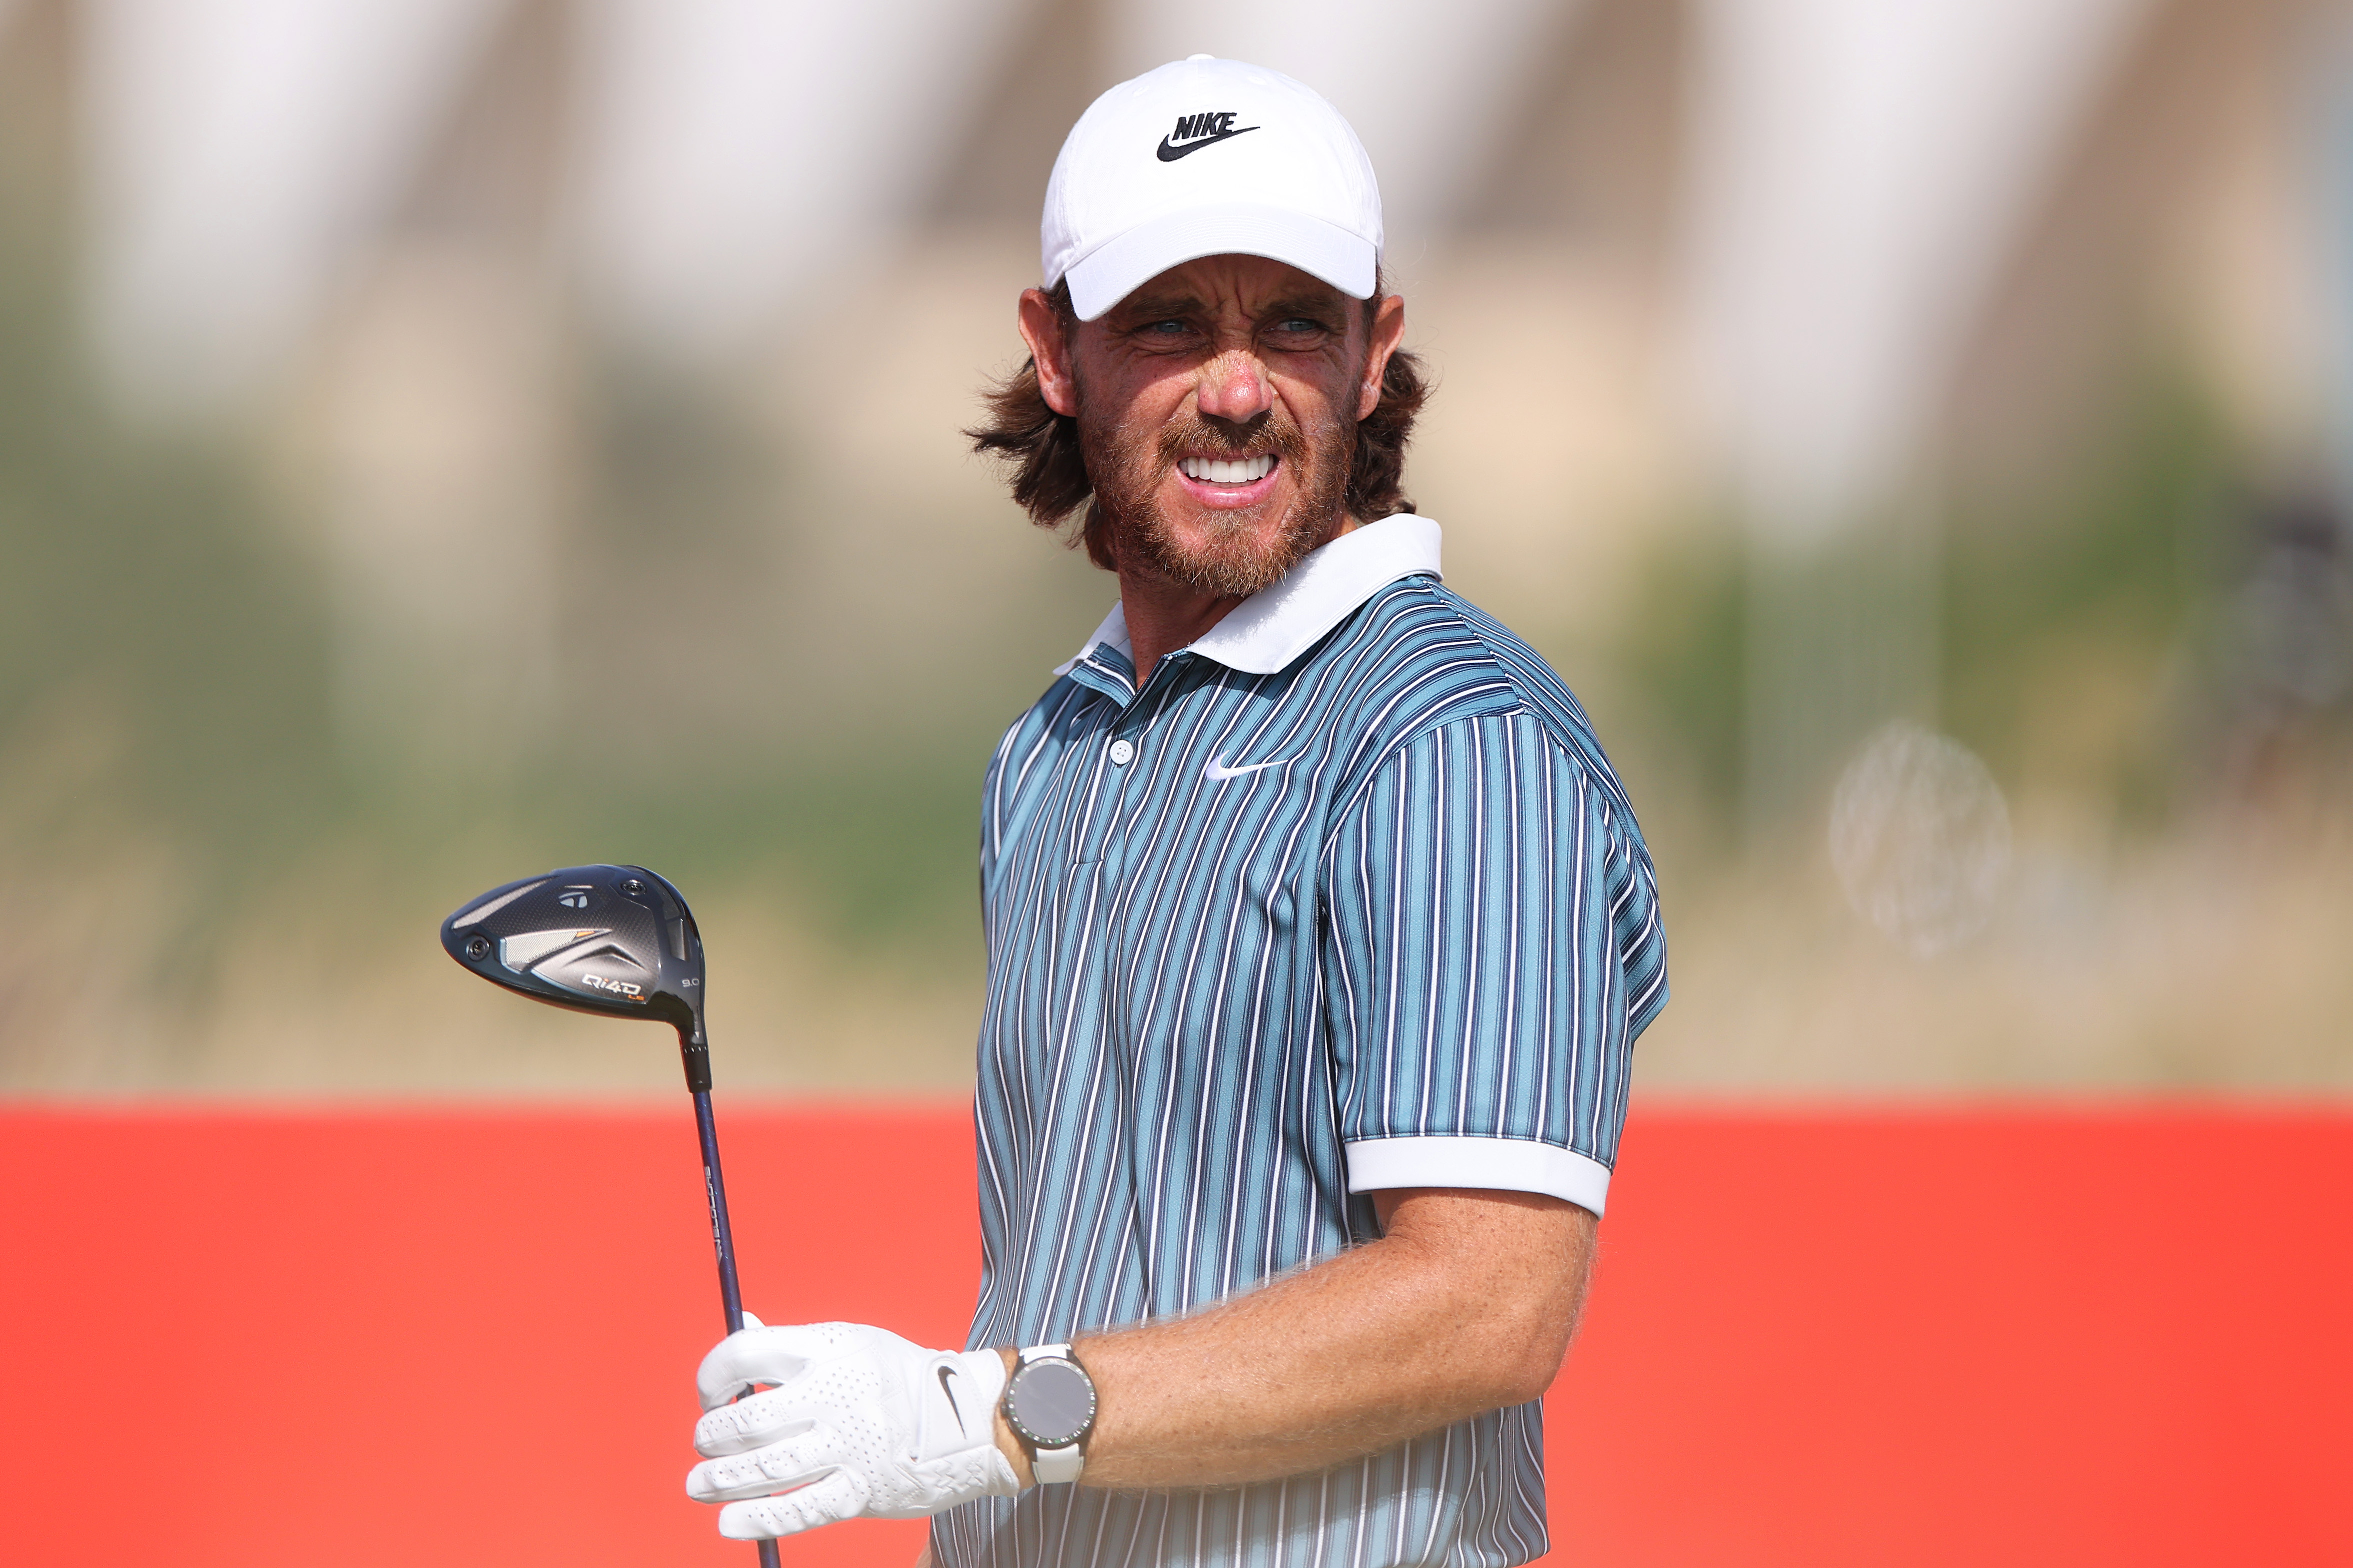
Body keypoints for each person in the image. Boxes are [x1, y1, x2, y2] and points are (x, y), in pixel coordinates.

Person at [684, 56, 1667, 1568]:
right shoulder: (1055, 749)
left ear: (1374, 353)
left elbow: (1485, 1305)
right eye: (1166, 322)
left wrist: (982, 1417)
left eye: (1293, 324)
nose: (1234, 386)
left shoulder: (1452, 742)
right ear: (1056, 351)